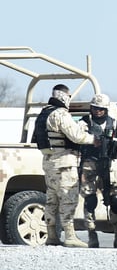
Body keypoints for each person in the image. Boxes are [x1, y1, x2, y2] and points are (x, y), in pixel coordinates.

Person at [32, 84, 97, 248]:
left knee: (51, 200)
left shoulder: (43, 113)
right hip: (64, 164)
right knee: (68, 199)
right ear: (64, 96)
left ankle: (52, 235)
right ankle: (70, 236)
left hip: (49, 162)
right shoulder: (61, 114)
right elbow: (76, 136)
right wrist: (92, 139)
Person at [78, 94, 117, 248]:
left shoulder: (115, 125)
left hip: (110, 166)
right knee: (90, 200)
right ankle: (92, 234)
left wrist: (116, 143)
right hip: (90, 164)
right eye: (95, 108)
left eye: (101, 109)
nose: (98, 111)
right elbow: (77, 139)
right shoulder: (84, 123)